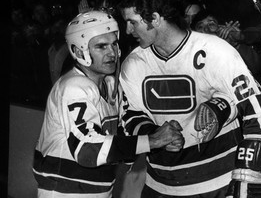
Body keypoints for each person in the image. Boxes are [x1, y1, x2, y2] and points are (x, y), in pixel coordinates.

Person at [118, 0, 261, 198]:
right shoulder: (134, 63)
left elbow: (259, 116)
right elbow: (129, 117)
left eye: (132, 22)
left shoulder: (216, 51)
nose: (128, 31)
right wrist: (154, 134)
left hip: (221, 185)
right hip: (161, 187)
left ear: (155, 18)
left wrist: (247, 181)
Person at [32, 10, 184, 198]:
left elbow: (124, 133)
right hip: (65, 192)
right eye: (101, 46)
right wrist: (153, 141)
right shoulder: (73, 88)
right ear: (79, 51)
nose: (112, 53)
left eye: (114, 44)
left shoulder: (110, 84)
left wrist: (159, 136)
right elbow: (88, 150)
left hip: (98, 190)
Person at [191, 9, 261, 83]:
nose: (206, 29)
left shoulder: (229, 45)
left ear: (220, 27)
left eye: (211, 24)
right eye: (200, 27)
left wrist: (236, 44)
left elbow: (257, 67)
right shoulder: (198, 60)